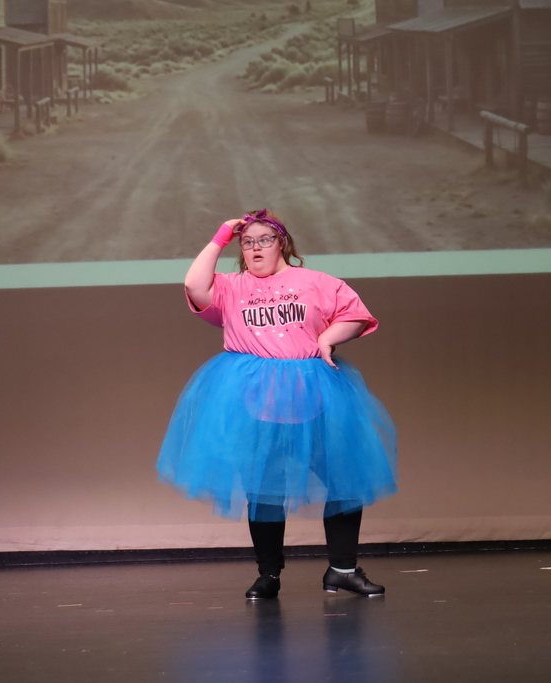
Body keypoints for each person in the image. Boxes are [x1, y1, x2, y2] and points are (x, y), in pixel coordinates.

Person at [157, 209, 398, 600]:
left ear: (281, 243)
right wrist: (220, 237)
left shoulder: (317, 282)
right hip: (257, 396)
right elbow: (194, 285)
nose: (254, 247)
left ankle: (342, 569)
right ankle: (269, 574)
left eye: (264, 240)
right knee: (263, 487)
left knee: (343, 478)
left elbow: (355, 315)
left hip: (316, 391)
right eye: (247, 241)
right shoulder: (231, 286)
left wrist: (328, 337)